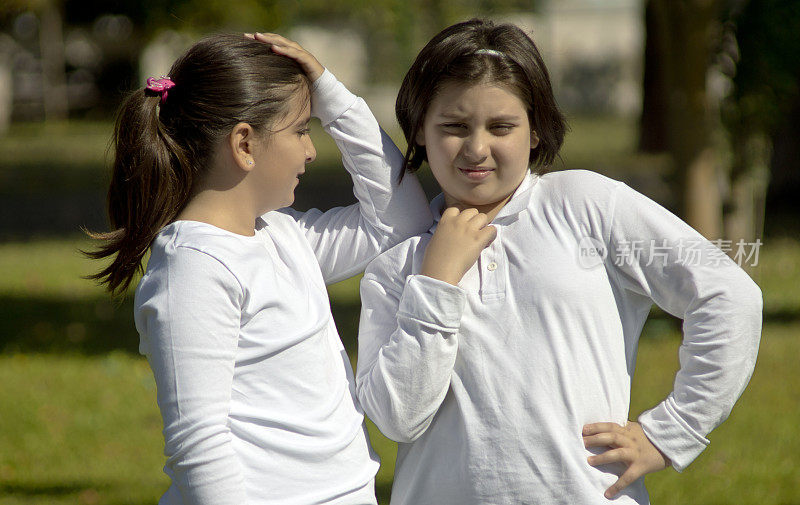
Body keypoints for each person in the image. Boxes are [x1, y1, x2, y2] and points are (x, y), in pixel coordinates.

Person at [355, 18, 762, 505]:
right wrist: (437, 282)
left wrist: (672, 431)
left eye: (501, 126)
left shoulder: (586, 206)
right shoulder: (397, 268)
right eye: (454, 126)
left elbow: (727, 293)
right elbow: (399, 418)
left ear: (535, 130)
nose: (477, 147)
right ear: (419, 129)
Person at [86, 32, 431, 504]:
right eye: (302, 130)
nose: (311, 150)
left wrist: (333, 98)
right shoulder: (193, 268)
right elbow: (198, 446)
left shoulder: (284, 236)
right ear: (245, 143)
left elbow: (400, 220)